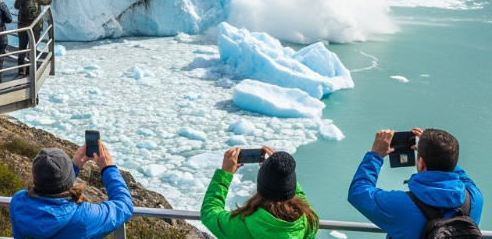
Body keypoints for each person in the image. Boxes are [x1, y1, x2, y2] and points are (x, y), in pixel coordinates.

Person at [348, 129, 483, 239]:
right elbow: (462, 177)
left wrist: (375, 155)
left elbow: (358, 191)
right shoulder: (473, 198)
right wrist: (435, 151)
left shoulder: (398, 205)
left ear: (421, 163)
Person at [10, 141, 133, 239]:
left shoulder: (18, 203)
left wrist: (72, 168)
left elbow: (51, 187)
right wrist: (108, 168)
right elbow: (124, 205)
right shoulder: (84, 217)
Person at [201, 147, 319, 239]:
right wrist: (279, 172)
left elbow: (209, 212)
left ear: (260, 184)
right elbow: (298, 195)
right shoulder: (308, 219)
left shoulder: (241, 225)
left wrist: (225, 174)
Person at [13, 0, 52, 74]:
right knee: (33, 47)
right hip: (35, 25)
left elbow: (16, 6)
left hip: (22, 24)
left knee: (22, 47)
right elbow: (47, 1)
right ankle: (30, 69)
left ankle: (21, 69)